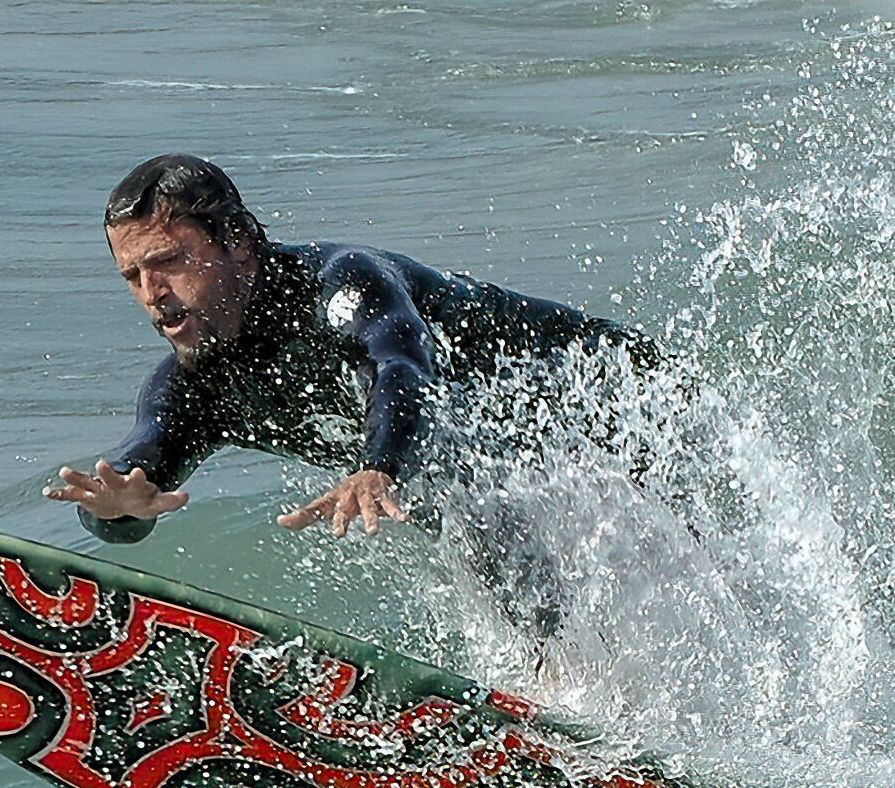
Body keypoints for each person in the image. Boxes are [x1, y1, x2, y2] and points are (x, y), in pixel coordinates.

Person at [45, 153, 656, 642]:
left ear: (235, 240)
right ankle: (566, 710)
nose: (152, 292)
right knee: (466, 504)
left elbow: (400, 368)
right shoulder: (190, 387)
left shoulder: (343, 285)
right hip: (500, 454)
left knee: (721, 553)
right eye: (132, 276)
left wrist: (376, 466)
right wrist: (114, 506)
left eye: (169, 261)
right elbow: (136, 464)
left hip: (617, 392)